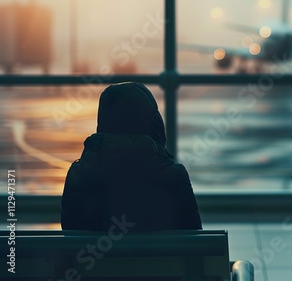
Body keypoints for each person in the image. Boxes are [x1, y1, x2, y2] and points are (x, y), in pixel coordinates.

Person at [61, 82, 202, 231]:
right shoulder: (174, 176)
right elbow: (194, 238)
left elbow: (70, 233)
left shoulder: (79, 175)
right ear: (154, 123)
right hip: (158, 255)